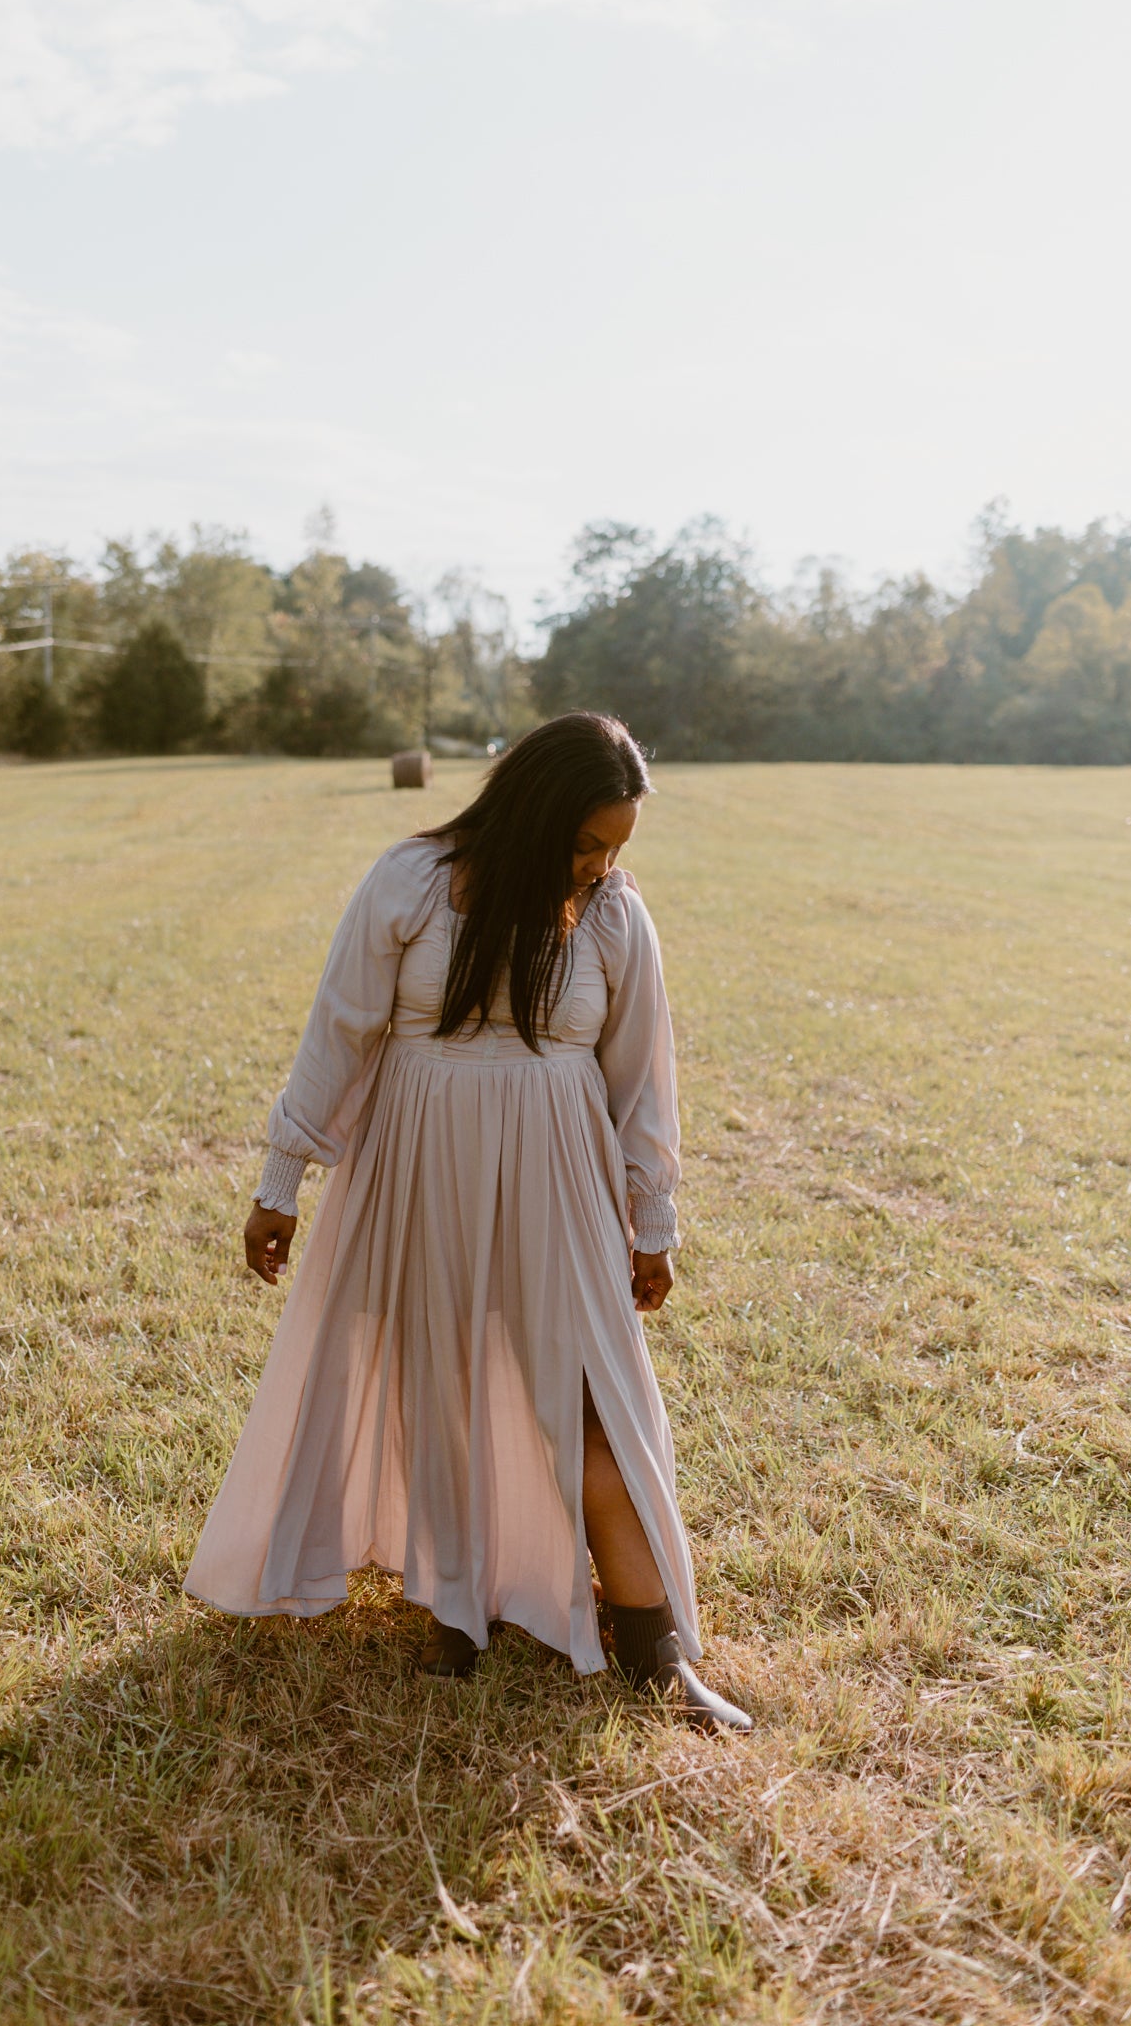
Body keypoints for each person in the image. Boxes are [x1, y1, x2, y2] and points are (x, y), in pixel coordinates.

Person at [184, 711, 750, 1731]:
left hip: (561, 1177)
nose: (600, 863)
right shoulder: (408, 881)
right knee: (435, 1381)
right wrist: (280, 1181)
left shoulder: (615, 915)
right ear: (531, 815)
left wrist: (651, 1220)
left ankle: (652, 1643)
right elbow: (339, 1029)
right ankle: (456, 1605)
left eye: (615, 845)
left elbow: (640, 1083)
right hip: (418, 1159)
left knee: (589, 1400)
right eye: (585, 842)